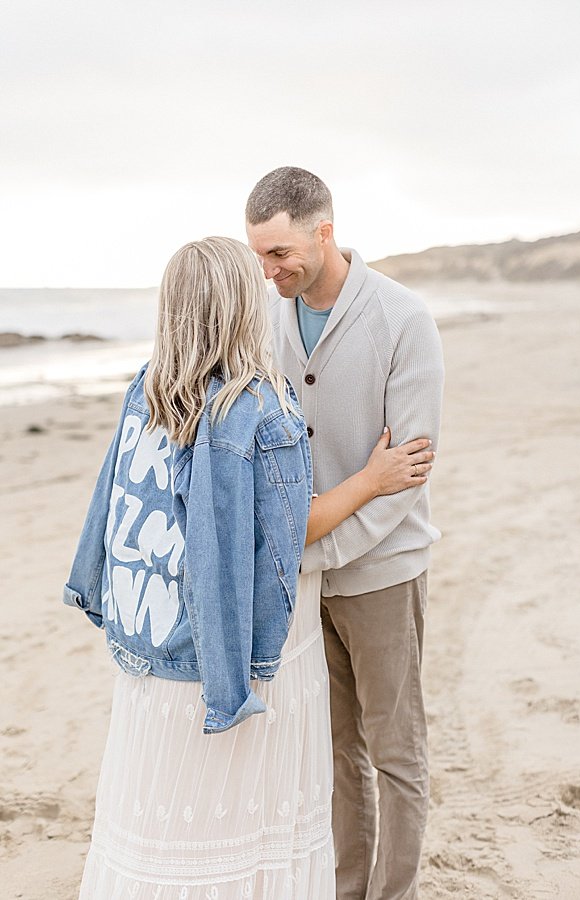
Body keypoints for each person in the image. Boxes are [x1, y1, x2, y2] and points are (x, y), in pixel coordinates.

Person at [64, 236, 434, 898]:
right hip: (234, 651)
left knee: (162, 821)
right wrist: (373, 479)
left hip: (152, 644)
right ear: (239, 307)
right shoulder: (261, 407)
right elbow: (288, 533)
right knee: (251, 816)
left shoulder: (143, 393)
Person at [245, 167, 444, 900]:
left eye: (279, 253)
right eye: (260, 256)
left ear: (322, 232)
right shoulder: (269, 319)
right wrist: (301, 559)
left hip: (382, 570)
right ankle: (347, 889)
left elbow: (408, 471)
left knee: (396, 751)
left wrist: (314, 549)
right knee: (334, 753)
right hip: (303, 578)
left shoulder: (402, 318)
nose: (268, 271)